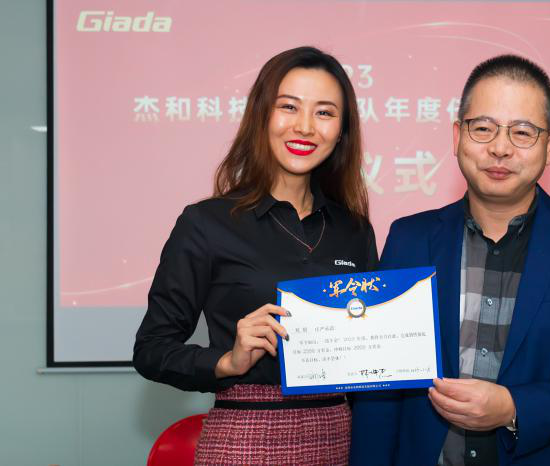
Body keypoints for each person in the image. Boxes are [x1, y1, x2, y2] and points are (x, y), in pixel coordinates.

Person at [350, 55, 550, 466]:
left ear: (549, 145)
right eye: (483, 128)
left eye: (522, 132)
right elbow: (380, 384)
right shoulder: (409, 238)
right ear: (458, 136)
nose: (500, 148)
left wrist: (514, 407)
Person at [133, 46, 377, 466]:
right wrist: (227, 361)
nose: (305, 126)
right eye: (288, 107)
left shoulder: (355, 230)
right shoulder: (206, 223)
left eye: (324, 112)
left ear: (342, 131)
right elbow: (151, 350)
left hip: (340, 439)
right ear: (261, 115)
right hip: (245, 437)